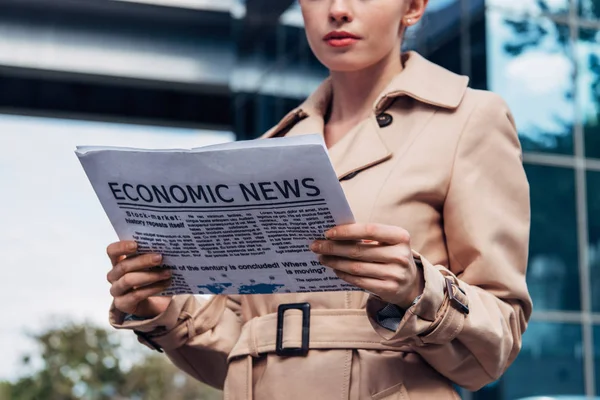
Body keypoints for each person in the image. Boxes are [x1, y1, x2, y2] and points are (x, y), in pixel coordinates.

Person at [105, 0, 532, 398]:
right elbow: (240, 343)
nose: (338, 10)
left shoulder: (470, 119)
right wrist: (160, 308)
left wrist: (418, 288)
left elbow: (500, 335)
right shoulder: (269, 147)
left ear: (415, 6)